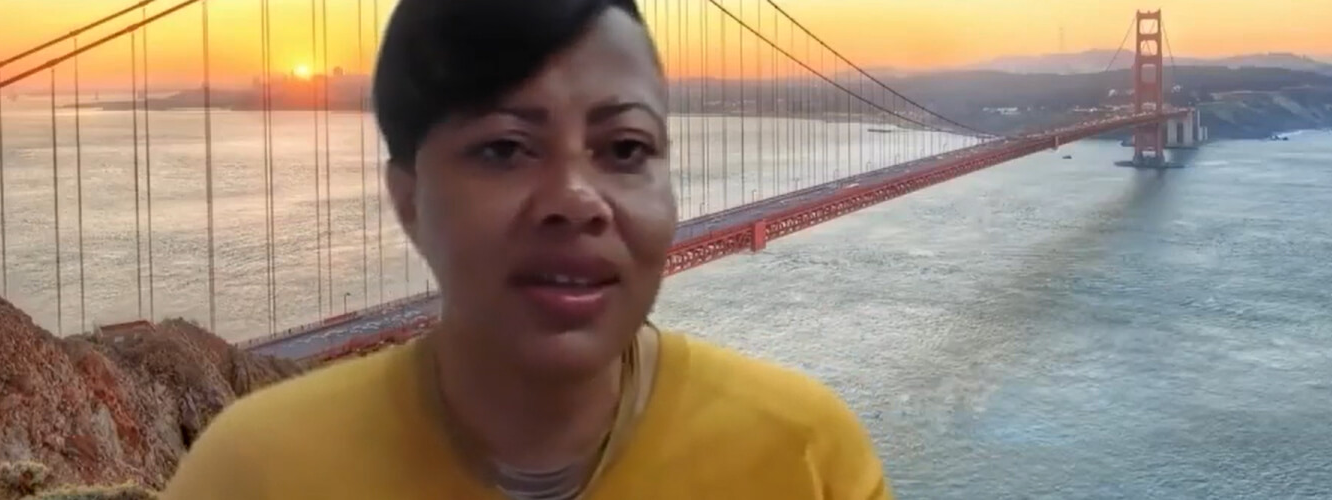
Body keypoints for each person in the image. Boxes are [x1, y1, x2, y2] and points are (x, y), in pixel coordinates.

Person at [161, 0, 889, 498]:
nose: (576, 199)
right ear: (408, 198)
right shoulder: (254, 473)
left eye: (626, 148)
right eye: (505, 149)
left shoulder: (804, 455)